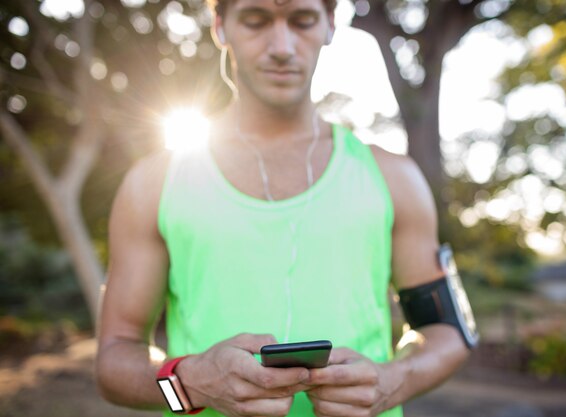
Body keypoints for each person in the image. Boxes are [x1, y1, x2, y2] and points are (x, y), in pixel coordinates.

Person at [96, 0, 474, 416]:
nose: (282, 46)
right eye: (256, 21)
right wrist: (187, 385)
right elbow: (114, 359)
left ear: (330, 25)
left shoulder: (394, 178)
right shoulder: (153, 183)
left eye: (302, 20)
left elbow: (448, 333)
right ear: (220, 27)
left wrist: (391, 382)